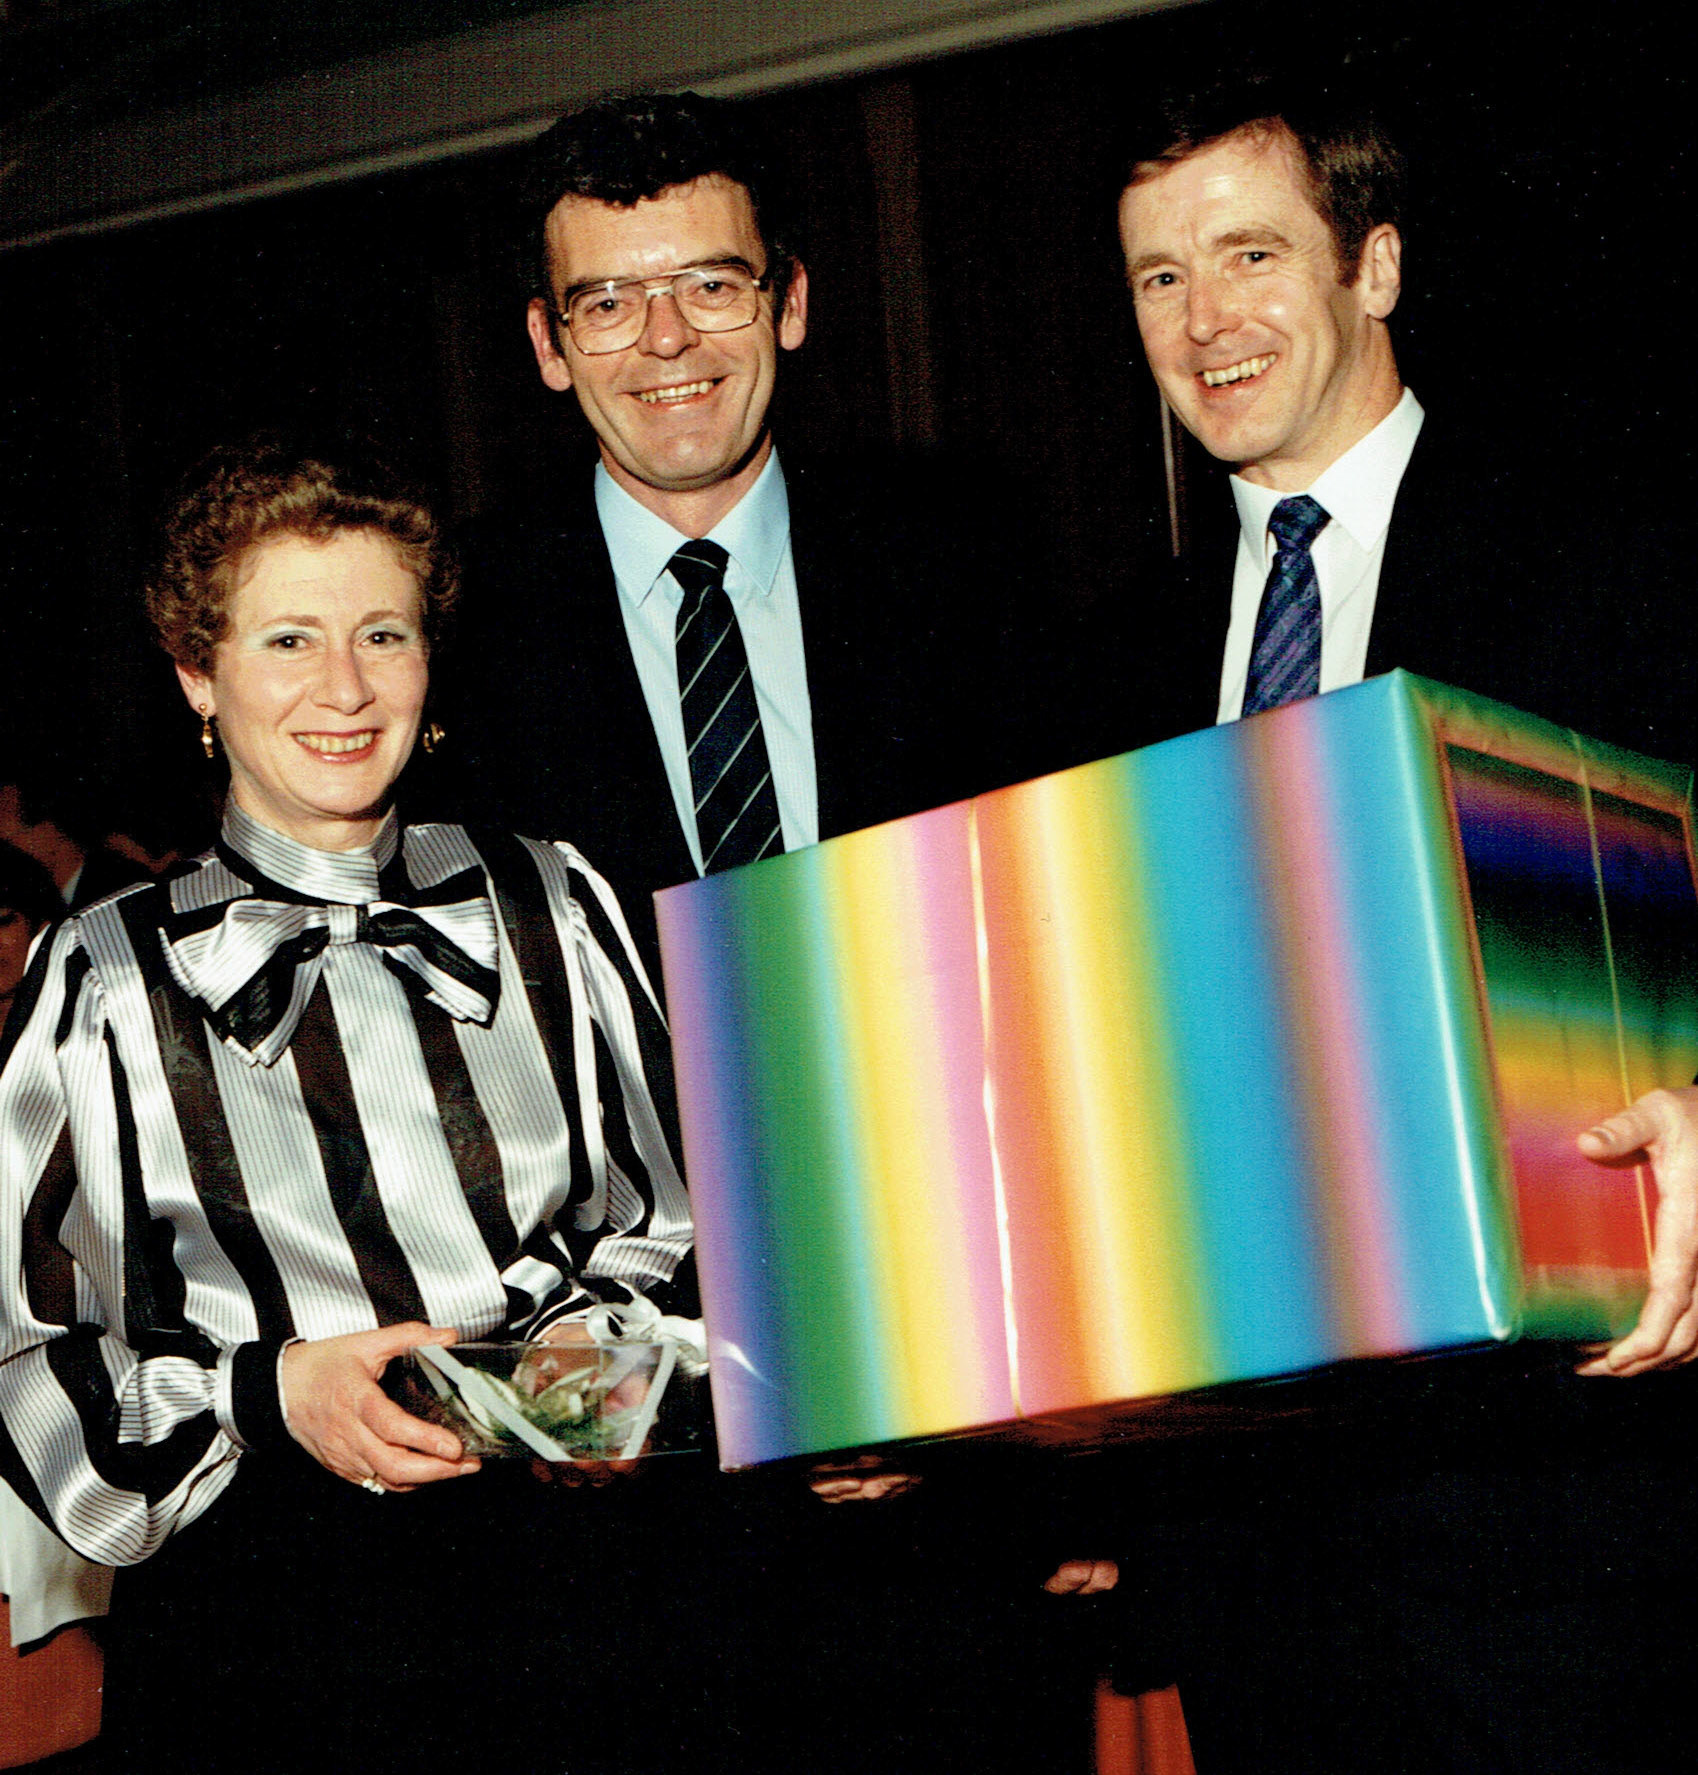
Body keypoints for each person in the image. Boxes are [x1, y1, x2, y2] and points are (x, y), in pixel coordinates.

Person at [1093, 74, 1698, 1773]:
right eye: (1156, 277)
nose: (1201, 321)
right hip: (1247, 1551)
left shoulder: (1616, 545)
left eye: (1247, 255)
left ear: (1372, 265)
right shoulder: (1106, 660)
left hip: (1568, 1527)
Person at [0, 438, 701, 1775]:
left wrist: (585, 1362)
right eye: (288, 639)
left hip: (592, 1591)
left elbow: (676, 1207)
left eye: (383, 631)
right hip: (274, 1628)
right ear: (196, 673)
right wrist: (266, 1390)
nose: (344, 686)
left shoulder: (549, 896)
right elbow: (22, 1337)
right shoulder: (102, 972)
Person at [446, 91, 1037, 974]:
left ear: (789, 303)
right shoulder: (459, 624)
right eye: (608, 303)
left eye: (713, 286)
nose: (669, 337)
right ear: (549, 345)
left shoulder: (962, 566)